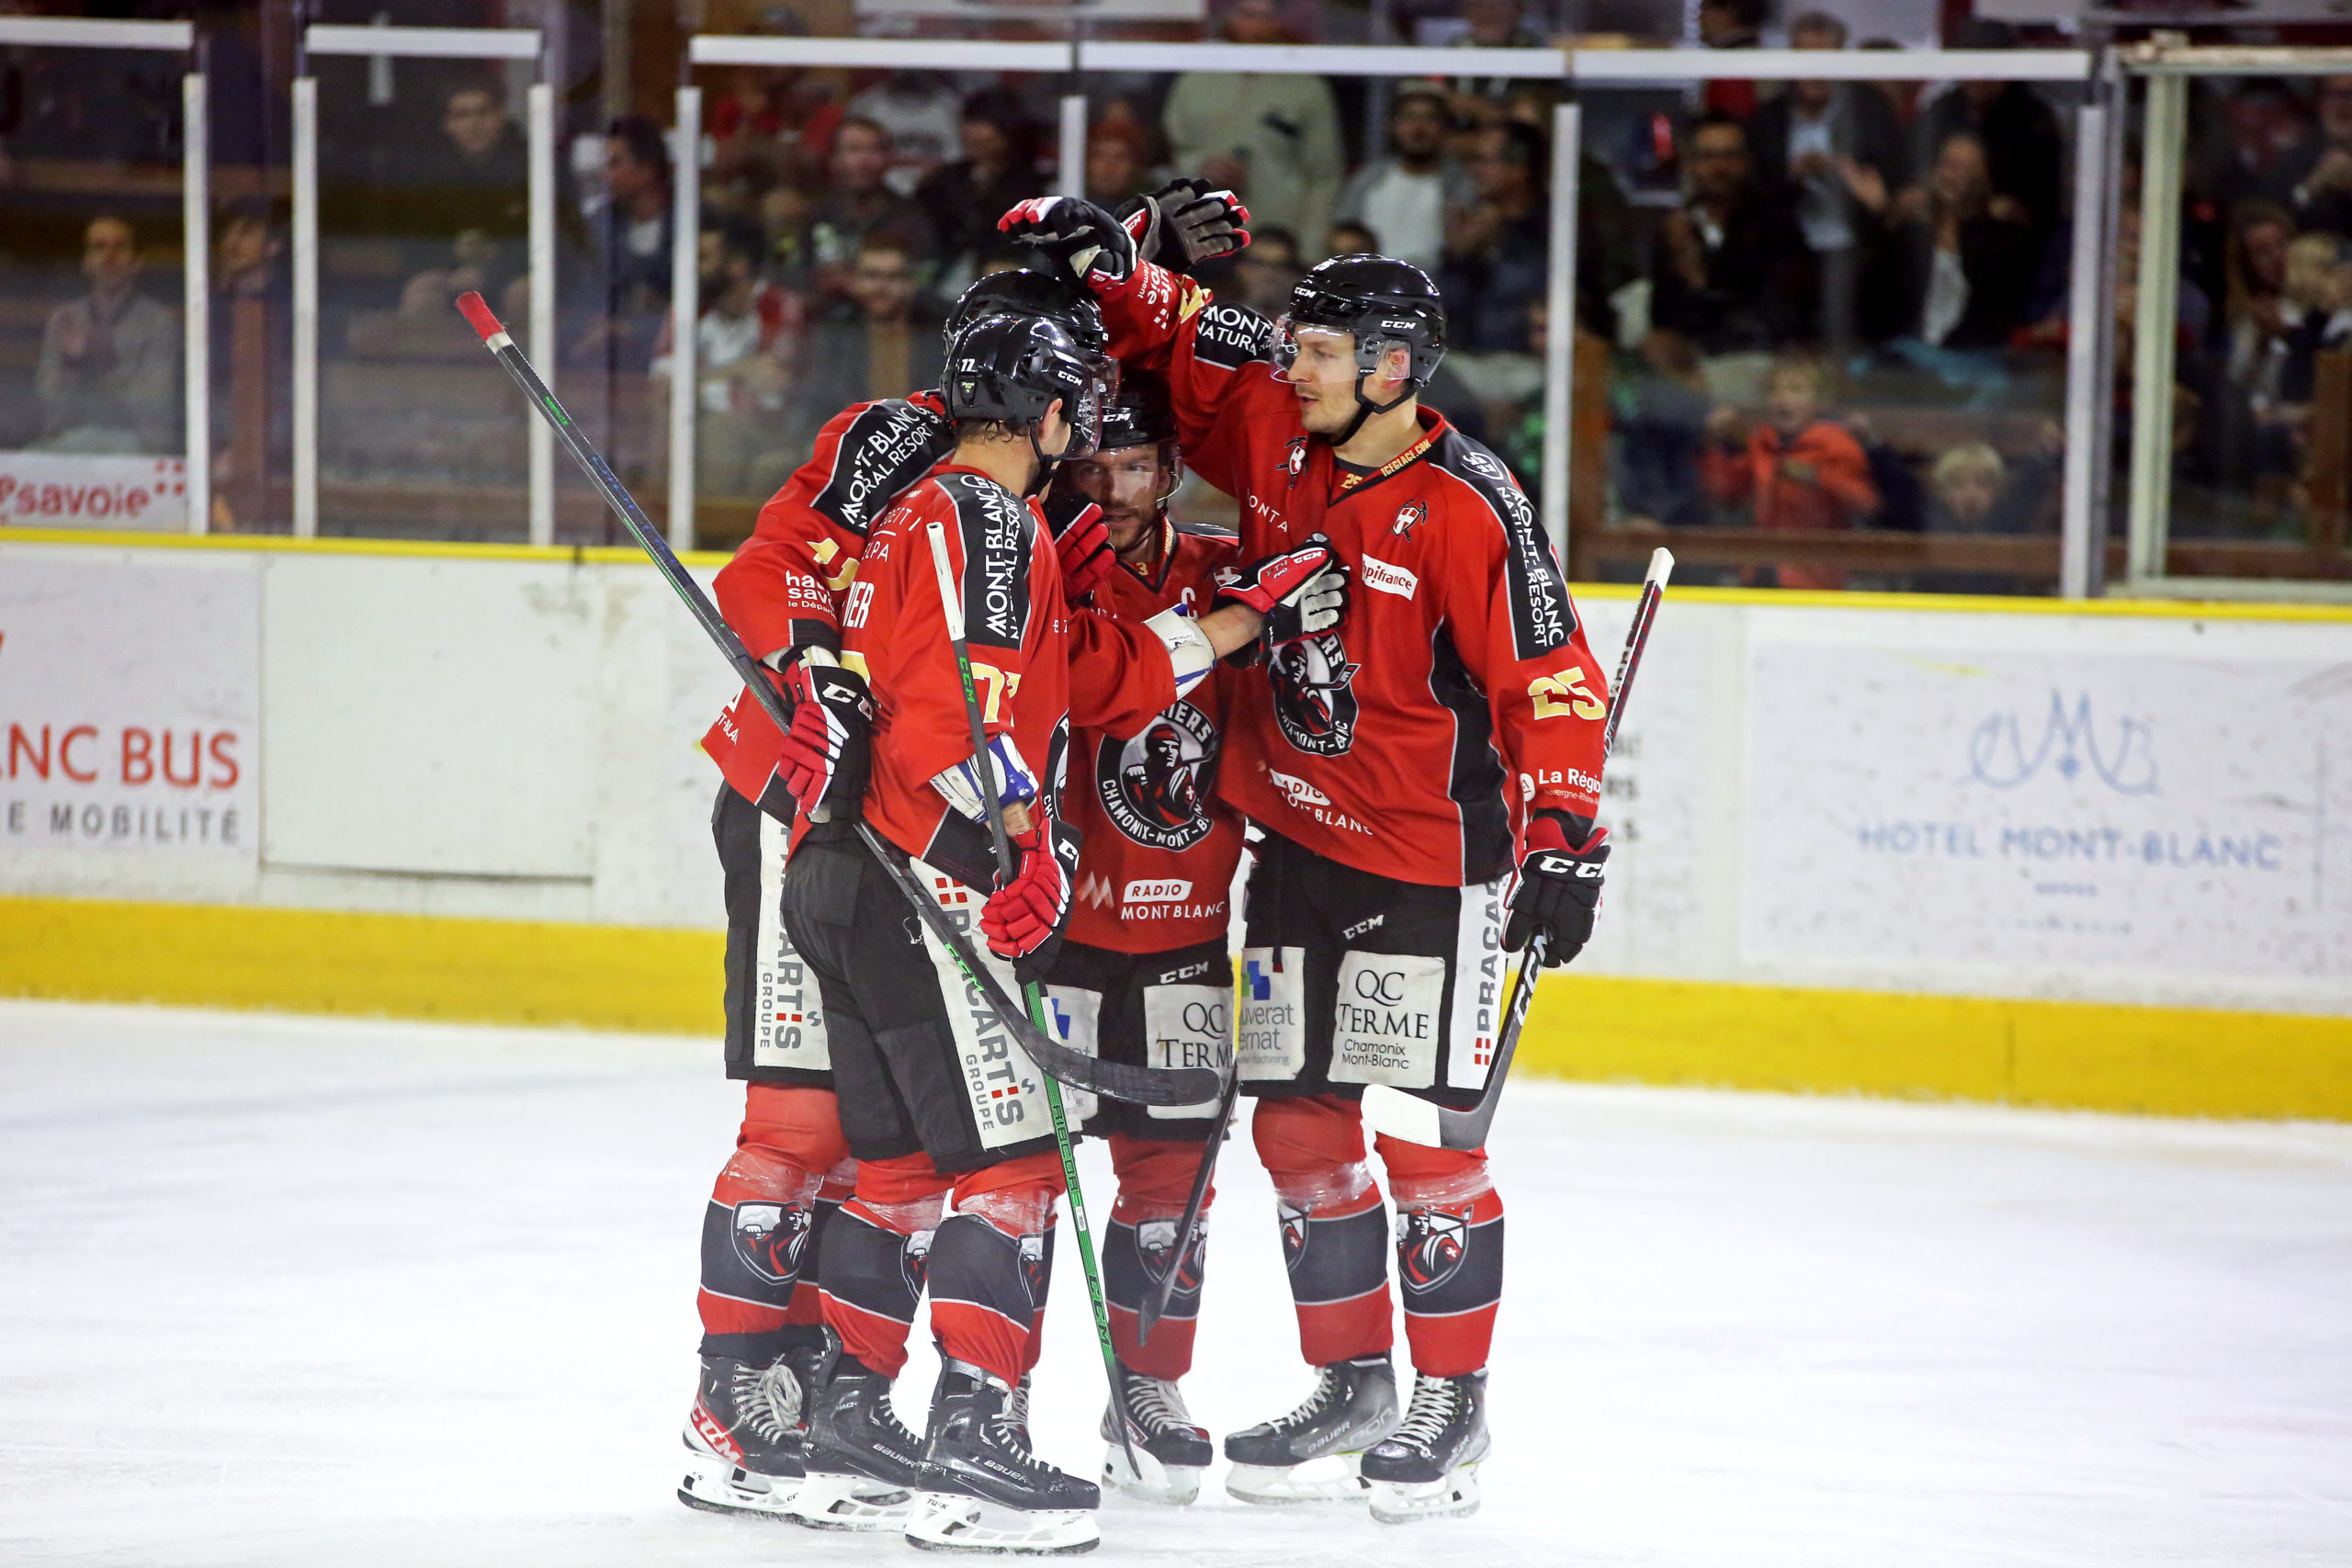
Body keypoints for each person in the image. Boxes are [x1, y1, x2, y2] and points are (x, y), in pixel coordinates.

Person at [1001, 198, 1619, 1524]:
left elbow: (1552, 674)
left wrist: (1567, 825)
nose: (1293, 369)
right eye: (1296, 349)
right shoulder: (1281, 419)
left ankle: (1452, 1406)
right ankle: (1355, 1379)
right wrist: (1122, 265)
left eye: (1322, 353)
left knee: (1428, 1141)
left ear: (1392, 369)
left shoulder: (1473, 503)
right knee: (1294, 1122)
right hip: (1292, 847)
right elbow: (1183, 328)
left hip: (1426, 859)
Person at [1037, 376, 1248, 1508]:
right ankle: (986, 1397)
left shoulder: (1227, 567)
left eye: (1135, 466)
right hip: (1047, 928)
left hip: (1187, 931)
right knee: (1015, 1177)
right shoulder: (1027, 562)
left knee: (1172, 1183)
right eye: (1092, 465)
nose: (1110, 489)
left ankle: (1146, 1390)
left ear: (1171, 469)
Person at [1744, 11, 1912, 355]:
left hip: (1860, 262)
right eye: (1804, 59)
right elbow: (1753, 201)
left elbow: (1896, 185)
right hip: (1790, 262)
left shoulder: (1869, 111)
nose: (1814, 71)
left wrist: (1853, 181)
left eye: (1824, 59)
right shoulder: (1769, 120)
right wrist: (1793, 179)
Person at [1162, 0, 1344, 264]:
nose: (1256, 25)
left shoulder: (1305, 88)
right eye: (1248, 15)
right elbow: (1173, 155)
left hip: (1278, 239)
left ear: (1279, 21)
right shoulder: (1195, 82)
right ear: (1230, 18)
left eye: (1266, 17)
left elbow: (1324, 177)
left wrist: (1309, 249)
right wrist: (1200, 168)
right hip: (1203, 236)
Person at [650, 220, 803, 497]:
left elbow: (773, 387)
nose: (690, 267)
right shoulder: (685, 307)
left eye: (703, 258)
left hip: (772, 433)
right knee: (672, 420)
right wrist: (739, 370)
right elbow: (662, 383)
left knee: (719, 427)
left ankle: (706, 535)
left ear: (738, 265)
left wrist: (698, 378)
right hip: (694, 426)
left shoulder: (778, 305)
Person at [1853, 130, 2037, 359]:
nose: (1954, 175)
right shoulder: (1912, 231)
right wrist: (1886, 215)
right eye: (1949, 164)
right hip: (1908, 352)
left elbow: (1996, 298)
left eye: (1966, 168)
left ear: (1984, 175)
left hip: (1971, 357)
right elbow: (1875, 295)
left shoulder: (1995, 232)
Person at [1699, 355, 1878, 590]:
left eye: (1796, 390)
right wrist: (1716, 445)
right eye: (1774, 391)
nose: (1783, 399)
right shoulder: (1759, 445)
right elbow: (1723, 491)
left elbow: (1866, 503)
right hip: (1759, 572)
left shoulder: (1838, 446)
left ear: (1819, 401)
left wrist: (1817, 477)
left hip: (1818, 577)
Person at [1650, 113, 1815, 356]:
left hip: (1760, 357)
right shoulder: (1678, 228)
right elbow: (1663, 317)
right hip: (1691, 364)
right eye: (1707, 156)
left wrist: (1699, 279)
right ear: (1690, 164)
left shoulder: (1776, 225)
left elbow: (1782, 314)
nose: (1719, 167)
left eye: (1730, 156)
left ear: (1747, 162)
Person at [36, 215, 178, 455]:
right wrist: (72, 364)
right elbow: (49, 405)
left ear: (137, 262)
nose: (109, 256)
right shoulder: (65, 318)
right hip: (69, 443)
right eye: (99, 247)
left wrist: (102, 361)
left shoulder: (158, 321)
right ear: (86, 262)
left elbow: (155, 406)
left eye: (120, 247)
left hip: (137, 445)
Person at [1439, 120, 1551, 355]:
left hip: (1524, 366)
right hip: (1461, 361)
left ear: (1519, 169)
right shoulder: (1474, 228)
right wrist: (1461, 253)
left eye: (1483, 161)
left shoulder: (1549, 233)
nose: (1473, 170)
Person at [1337, 85, 1474, 276]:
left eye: (1429, 118)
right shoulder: (1368, 179)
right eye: (1409, 118)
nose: (1419, 128)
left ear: (1445, 127)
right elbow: (1344, 232)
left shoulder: (1460, 183)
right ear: (1391, 125)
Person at [799, 117, 939, 297]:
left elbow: (927, 278)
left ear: (888, 159)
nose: (864, 161)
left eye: (874, 151)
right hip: (822, 315)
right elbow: (786, 268)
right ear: (834, 159)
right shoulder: (815, 214)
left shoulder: (911, 218)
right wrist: (817, 282)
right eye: (854, 150)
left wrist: (873, 287)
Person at [917, 92, 1043, 286]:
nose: (971, 132)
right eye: (968, 122)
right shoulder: (943, 182)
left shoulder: (1031, 188)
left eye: (981, 123)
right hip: (941, 281)